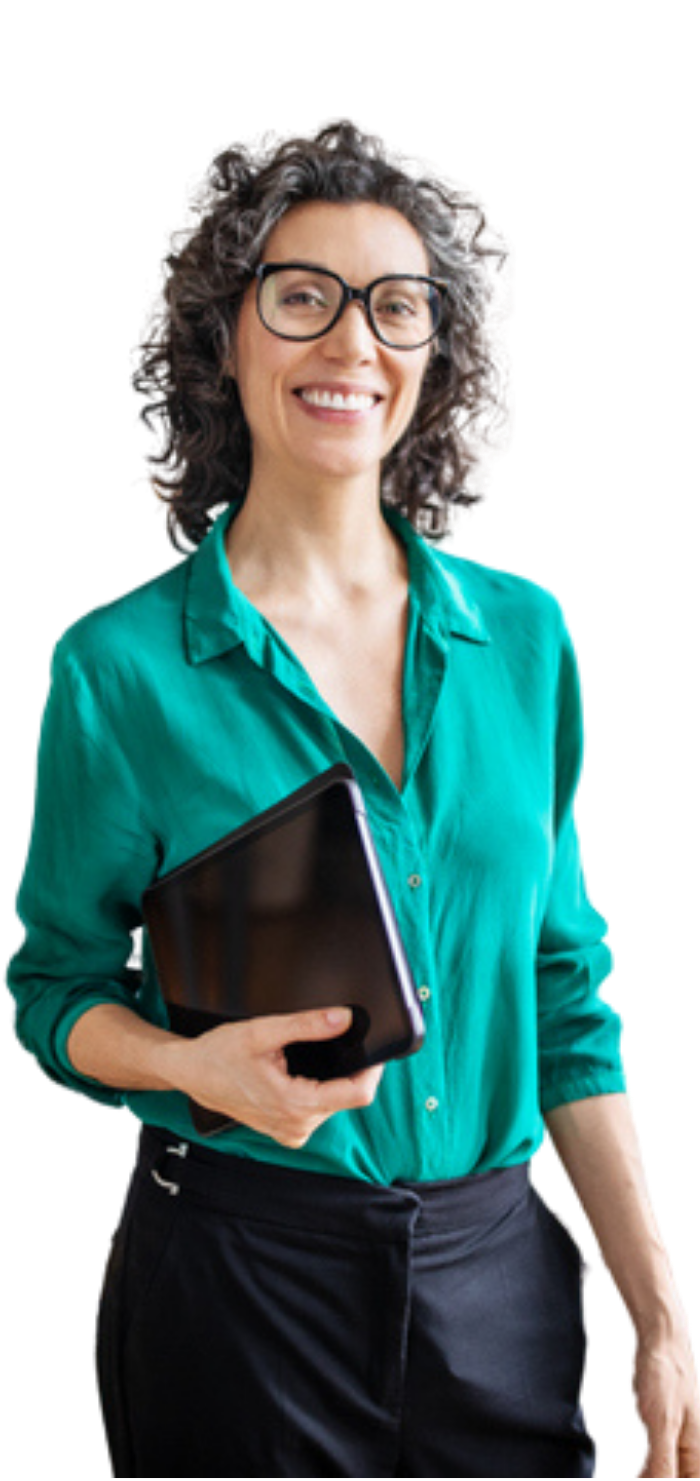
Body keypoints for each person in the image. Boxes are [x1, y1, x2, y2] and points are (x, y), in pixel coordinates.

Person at [5, 120, 699, 1480]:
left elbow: (567, 997)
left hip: (500, 1277)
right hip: (236, 1282)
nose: (351, 344)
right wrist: (180, 1067)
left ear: (436, 357)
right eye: (301, 295)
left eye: (397, 307)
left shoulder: (529, 637)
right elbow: (51, 990)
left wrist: (659, 1317)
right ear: (228, 337)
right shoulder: (117, 669)